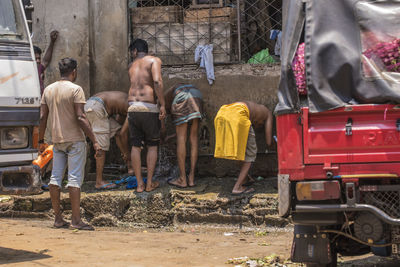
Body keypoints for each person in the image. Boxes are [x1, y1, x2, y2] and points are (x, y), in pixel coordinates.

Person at [39, 57, 100, 230]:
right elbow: (81, 117)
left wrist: (41, 140)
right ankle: (76, 220)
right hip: (75, 141)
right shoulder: (76, 89)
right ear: (74, 72)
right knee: (74, 180)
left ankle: (58, 218)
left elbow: (43, 117)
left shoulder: (49, 90)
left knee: (54, 179)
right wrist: (94, 140)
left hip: (57, 141)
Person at [127, 39, 166, 193]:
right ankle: (149, 183)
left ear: (135, 51)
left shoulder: (131, 66)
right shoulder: (154, 60)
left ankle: (139, 185)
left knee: (135, 146)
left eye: (132, 52)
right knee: (152, 145)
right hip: (149, 107)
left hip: (132, 107)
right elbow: (157, 81)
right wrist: (162, 104)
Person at [214, 101, 273, 195]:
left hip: (223, 113)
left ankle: (245, 178)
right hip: (238, 115)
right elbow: (269, 142)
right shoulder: (268, 114)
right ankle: (237, 187)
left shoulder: (254, 109)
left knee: (239, 151)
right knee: (250, 153)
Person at [84, 91, 133, 190]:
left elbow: (118, 133)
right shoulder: (133, 109)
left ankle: (130, 167)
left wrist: (125, 154)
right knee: (101, 147)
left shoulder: (124, 105)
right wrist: (127, 154)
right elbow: (123, 134)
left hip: (92, 104)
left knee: (116, 129)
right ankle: (99, 182)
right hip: (96, 107)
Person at [162, 84, 203, 188]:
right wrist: (171, 136)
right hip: (197, 95)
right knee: (193, 138)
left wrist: (163, 129)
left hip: (182, 97)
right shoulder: (178, 87)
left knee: (181, 139)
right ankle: (192, 178)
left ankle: (182, 179)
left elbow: (163, 109)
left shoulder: (164, 99)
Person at [34, 30, 59, 95]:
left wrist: (52, 42)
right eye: (35, 59)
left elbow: (46, 61)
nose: (38, 61)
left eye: (39, 58)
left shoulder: (39, 68)